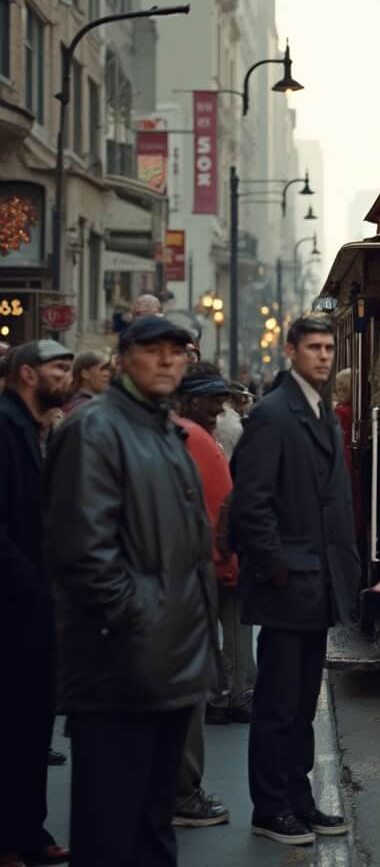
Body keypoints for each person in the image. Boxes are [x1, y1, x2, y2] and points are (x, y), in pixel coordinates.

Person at [44, 318, 219, 867]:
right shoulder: (95, 429)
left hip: (168, 664)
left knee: (151, 828)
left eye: (177, 351)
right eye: (153, 350)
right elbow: (83, 553)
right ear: (124, 360)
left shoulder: (163, 429)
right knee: (110, 833)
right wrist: (145, 619)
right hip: (121, 668)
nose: (167, 361)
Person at [230, 318, 360, 846]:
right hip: (290, 583)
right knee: (278, 704)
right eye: (314, 347)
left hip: (317, 581)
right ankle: (271, 806)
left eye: (329, 348)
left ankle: (298, 799)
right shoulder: (273, 414)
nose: (324, 356)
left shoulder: (316, 409)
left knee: (303, 704)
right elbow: (251, 503)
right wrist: (277, 567)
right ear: (291, 351)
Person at [0, 341, 73, 867]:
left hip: (36, 605)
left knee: (32, 724)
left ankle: (29, 830)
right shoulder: (5, 428)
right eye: (58, 369)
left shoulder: (36, 427)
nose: (66, 377)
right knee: (13, 725)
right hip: (14, 607)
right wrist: (33, 584)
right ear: (27, 374)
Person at [170, 371, 233, 829]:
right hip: (192, 580)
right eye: (212, 401)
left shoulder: (183, 433)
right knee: (188, 690)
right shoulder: (189, 436)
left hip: (187, 577)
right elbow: (216, 512)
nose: (220, 410)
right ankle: (183, 794)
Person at [62, 351, 111, 416]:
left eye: (108, 370)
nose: (107, 374)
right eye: (102, 369)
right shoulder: (82, 407)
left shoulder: (96, 404)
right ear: (85, 374)